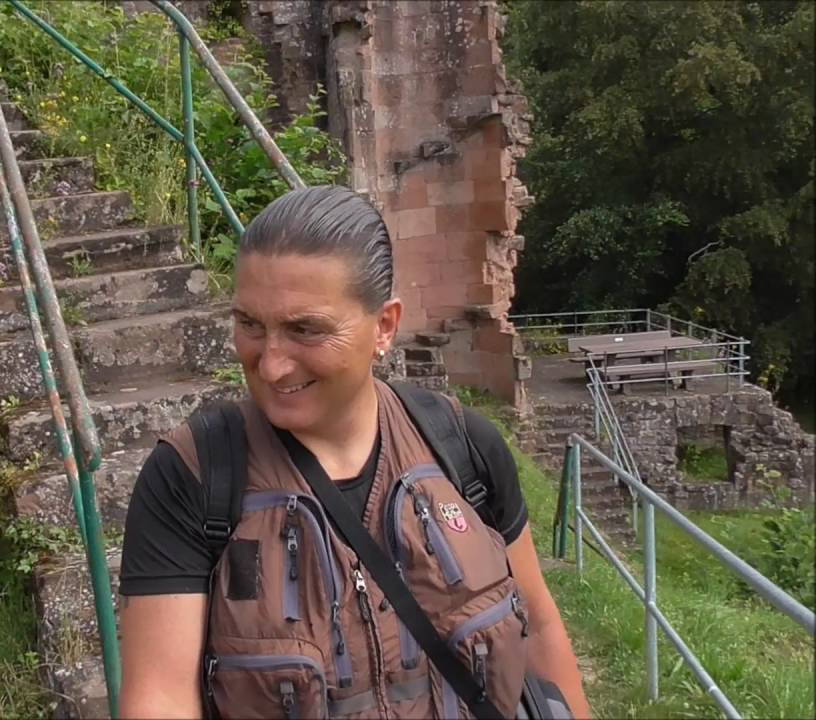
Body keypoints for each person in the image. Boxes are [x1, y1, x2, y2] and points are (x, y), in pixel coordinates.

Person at [117, 186, 591, 719]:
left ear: (384, 326)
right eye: (250, 324)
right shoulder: (194, 477)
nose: (271, 365)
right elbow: (160, 697)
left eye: (305, 330)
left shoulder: (462, 449)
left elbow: (541, 627)